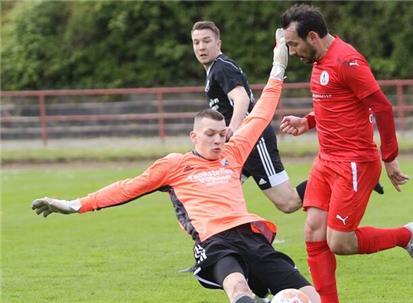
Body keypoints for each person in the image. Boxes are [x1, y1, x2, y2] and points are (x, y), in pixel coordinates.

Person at [31, 29, 320, 303]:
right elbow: (126, 189)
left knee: (309, 294)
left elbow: (262, 110)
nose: (218, 140)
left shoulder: (233, 151)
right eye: (210, 135)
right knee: (236, 286)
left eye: (221, 134)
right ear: (193, 136)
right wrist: (73, 205)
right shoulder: (175, 165)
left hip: (250, 235)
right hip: (215, 242)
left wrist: (278, 66)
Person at [279, 4, 413, 303]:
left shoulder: (347, 61)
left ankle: (406, 235)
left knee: (339, 242)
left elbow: (382, 107)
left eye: (294, 44)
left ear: (312, 37)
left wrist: (389, 158)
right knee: (312, 232)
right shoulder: (318, 60)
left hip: (354, 163)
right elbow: (337, 104)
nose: (292, 51)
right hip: (325, 160)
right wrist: (308, 121)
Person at [191, 20, 305, 214]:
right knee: (217, 196)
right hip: (239, 145)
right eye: (196, 42)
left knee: (289, 202)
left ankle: (336, 181)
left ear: (218, 44)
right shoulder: (214, 71)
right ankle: (231, 243)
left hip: (253, 140)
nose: (201, 47)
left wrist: (233, 131)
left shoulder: (221, 67)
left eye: (206, 41)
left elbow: (241, 99)